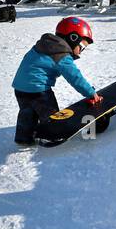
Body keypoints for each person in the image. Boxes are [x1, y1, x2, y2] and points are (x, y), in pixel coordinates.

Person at [11, 17, 103, 146]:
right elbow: (75, 77)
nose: (81, 51)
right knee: (51, 115)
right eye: (81, 47)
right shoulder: (61, 53)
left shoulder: (45, 45)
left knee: (27, 112)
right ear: (73, 38)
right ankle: (51, 136)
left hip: (20, 88)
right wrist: (91, 93)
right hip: (39, 90)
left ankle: (23, 137)